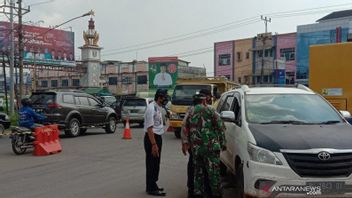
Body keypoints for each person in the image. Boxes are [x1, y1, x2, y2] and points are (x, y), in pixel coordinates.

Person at [183, 91, 226, 198]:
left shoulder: (190, 112)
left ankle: (198, 194)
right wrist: (223, 143)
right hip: (211, 148)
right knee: (214, 173)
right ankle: (216, 194)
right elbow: (221, 127)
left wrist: (187, 143)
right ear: (204, 100)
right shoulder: (211, 110)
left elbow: (185, 128)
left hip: (196, 149)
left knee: (198, 173)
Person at [181, 89, 215, 198]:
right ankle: (196, 191)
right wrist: (185, 142)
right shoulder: (207, 109)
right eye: (208, 96)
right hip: (201, 146)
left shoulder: (196, 109)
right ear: (205, 97)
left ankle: (197, 191)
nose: (209, 99)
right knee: (199, 169)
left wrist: (185, 142)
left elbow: (184, 127)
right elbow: (184, 127)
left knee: (199, 169)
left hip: (199, 145)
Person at [144, 89, 169, 196]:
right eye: (164, 97)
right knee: (151, 163)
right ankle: (151, 188)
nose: (166, 99)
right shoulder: (151, 108)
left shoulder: (158, 107)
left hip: (157, 136)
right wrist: (154, 145)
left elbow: (161, 123)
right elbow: (149, 128)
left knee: (156, 163)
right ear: (159, 97)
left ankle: (153, 184)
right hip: (151, 138)